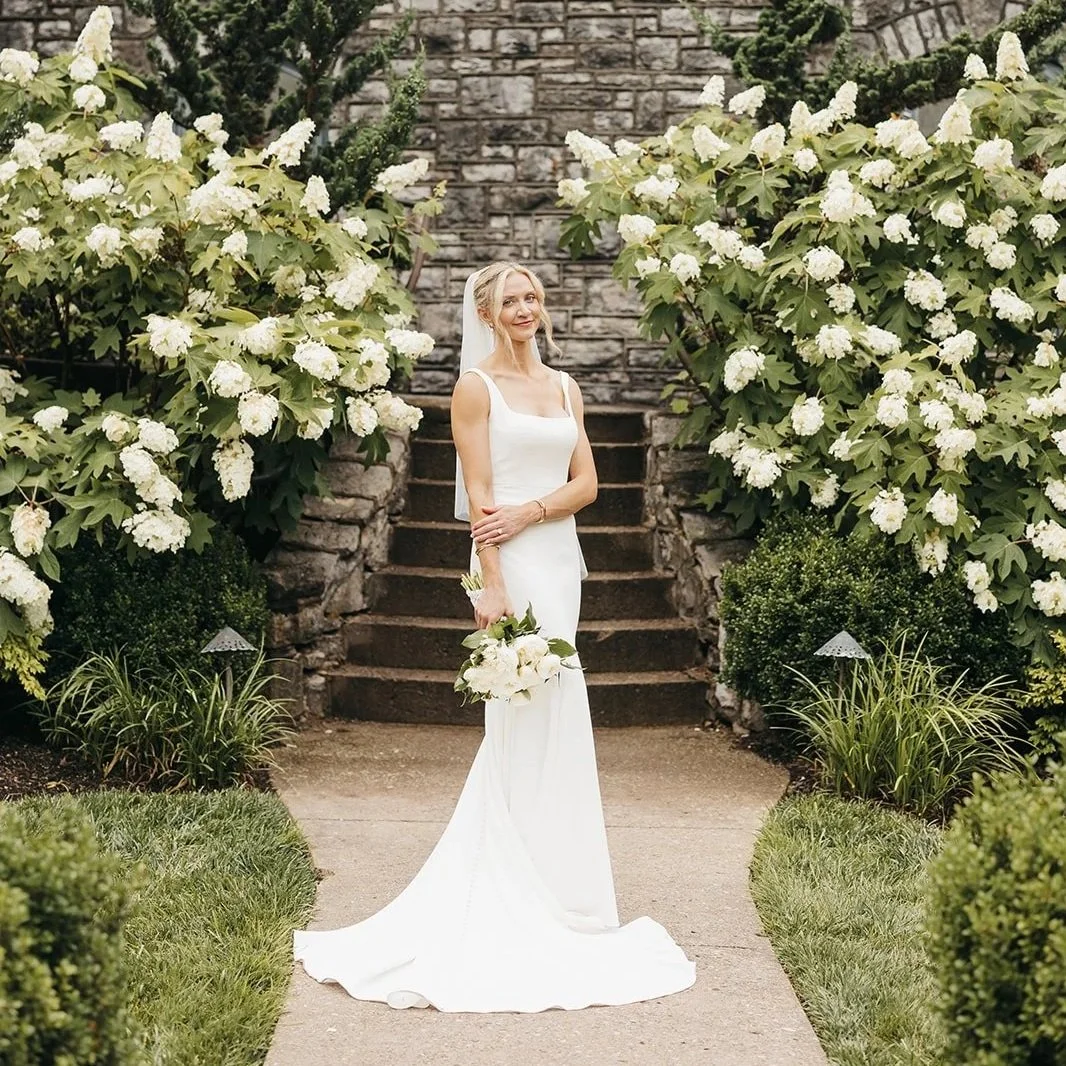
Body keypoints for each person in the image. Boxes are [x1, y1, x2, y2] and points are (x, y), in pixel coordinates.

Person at [292, 261, 696, 1012]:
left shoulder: (566, 387)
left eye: (532, 296)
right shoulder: (474, 388)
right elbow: (480, 494)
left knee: (561, 709)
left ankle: (565, 891)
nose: (524, 307)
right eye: (510, 299)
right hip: (507, 564)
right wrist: (494, 582)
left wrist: (534, 512)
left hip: (553, 555)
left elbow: (588, 485)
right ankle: (507, 880)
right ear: (486, 311)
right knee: (517, 712)